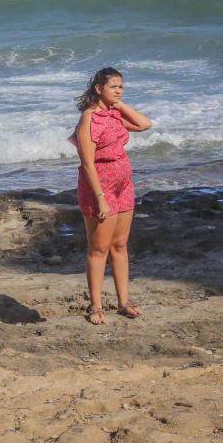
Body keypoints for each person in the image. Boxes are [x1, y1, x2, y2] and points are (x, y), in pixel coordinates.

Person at [69, 67, 152, 325]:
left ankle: (123, 302)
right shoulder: (89, 119)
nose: (119, 91)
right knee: (99, 249)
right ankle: (95, 306)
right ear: (98, 88)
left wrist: (118, 103)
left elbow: (144, 124)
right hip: (99, 188)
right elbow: (87, 164)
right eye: (114, 87)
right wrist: (100, 197)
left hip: (124, 186)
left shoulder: (115, 114)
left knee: (119, 246)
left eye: (121, 87)